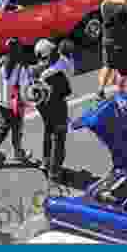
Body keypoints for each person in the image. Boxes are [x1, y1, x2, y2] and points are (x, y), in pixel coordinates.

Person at [29, 39, 72, 182]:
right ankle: (55, 172)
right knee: (58, 137)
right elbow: (65, 91)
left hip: (42, 106)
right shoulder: (56, 72)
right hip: (57, 106)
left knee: (48, 131)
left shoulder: (35, 70)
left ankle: (46, 162)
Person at [0, 38, 31, 163]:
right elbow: (24, 90)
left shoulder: (0, 62)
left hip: (1, 102)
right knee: (17, 129)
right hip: (14, 105)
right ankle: (18, 153)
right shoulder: (20, 68)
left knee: (4, 128)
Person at [98, 0, 127, 99]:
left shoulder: (104, 4)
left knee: (107, 65)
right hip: (123, 41)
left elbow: (105, 19)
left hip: (107, 39)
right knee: (124, 68)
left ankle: (100, 89)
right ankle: (121, 91)